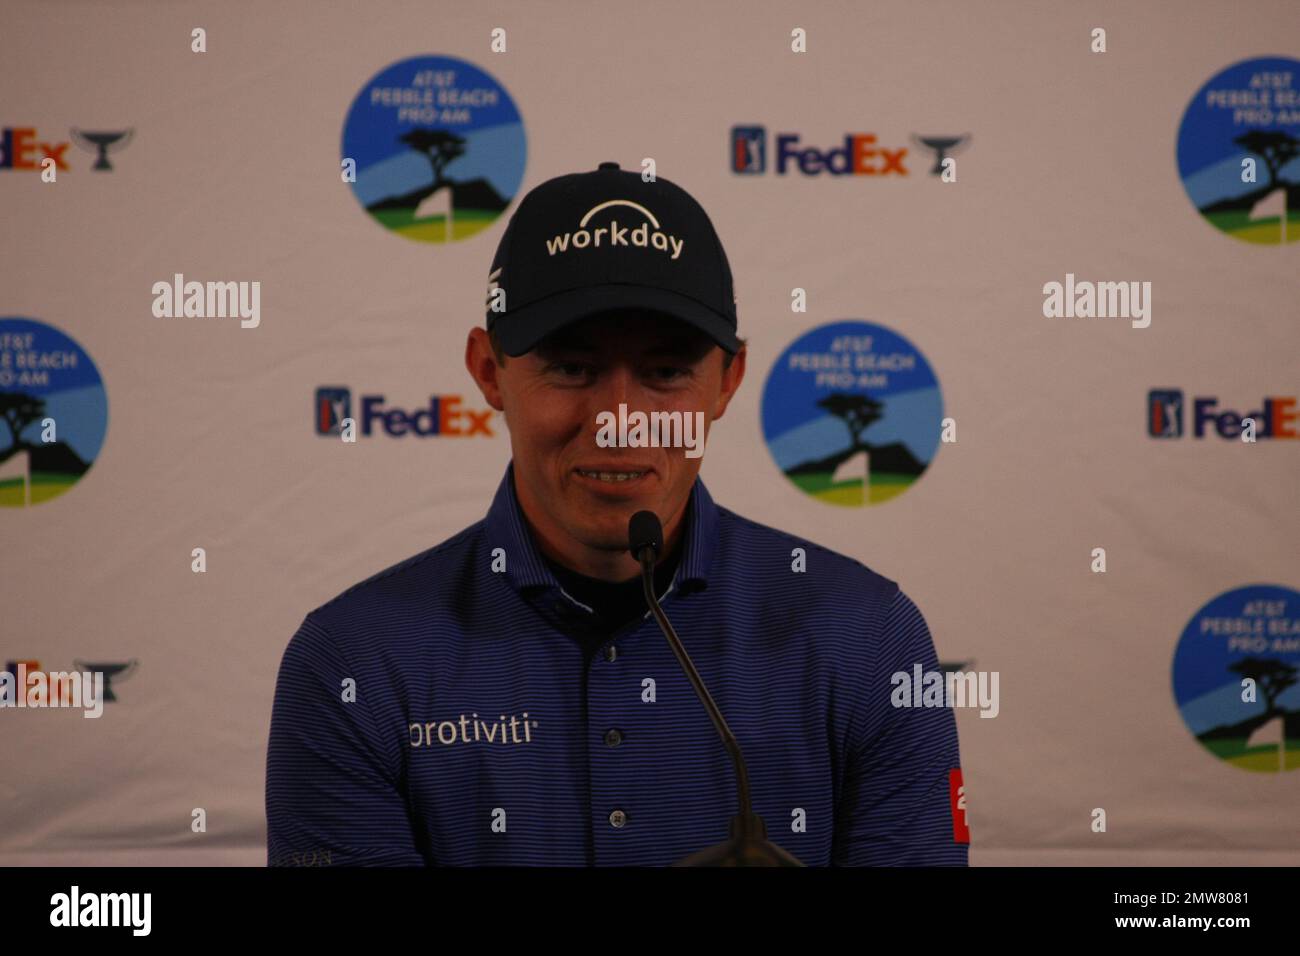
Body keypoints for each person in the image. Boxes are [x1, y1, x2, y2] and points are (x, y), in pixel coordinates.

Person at [266, 161, 969, 866]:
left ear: (728, 381)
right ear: (488, 372)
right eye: (573, 369)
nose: (620, 423)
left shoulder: (867, 639)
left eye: (665, 373)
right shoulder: (353, 663)